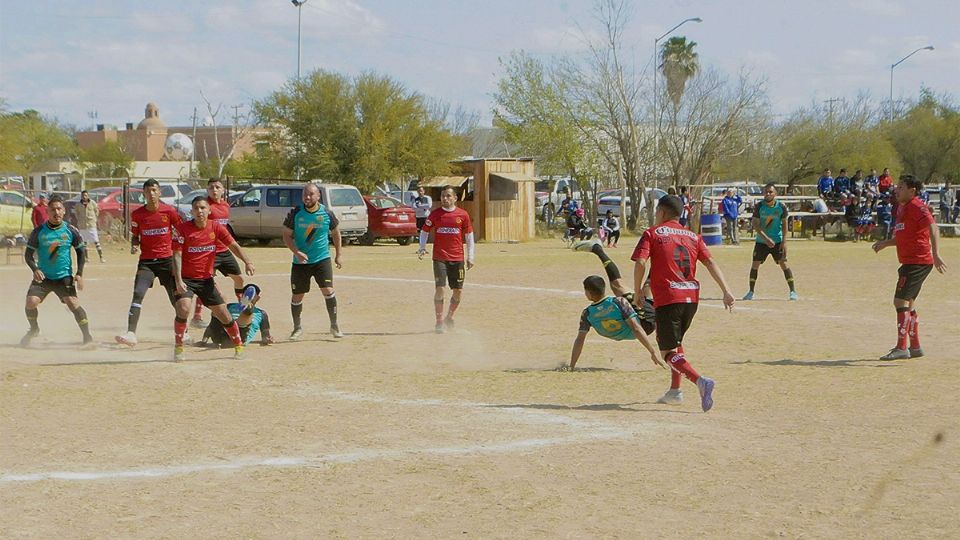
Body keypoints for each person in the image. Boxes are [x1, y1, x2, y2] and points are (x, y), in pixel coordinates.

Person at [632, 195, 735, 411]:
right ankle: (675, 391)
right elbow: (710, 262)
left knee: (667, 353)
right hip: (691, 298)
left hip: (668, 298)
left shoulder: (652, 233)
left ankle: (700, 381)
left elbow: (641, 261)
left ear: (661, 212)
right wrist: (726, 290)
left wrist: (637, 290)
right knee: (676, 342)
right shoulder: (693, 236)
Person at [872, 175, 947, 360]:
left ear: (912, 190)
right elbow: (904, 237)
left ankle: (901, 348)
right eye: (897, 186)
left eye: (901, 187)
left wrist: (936, 253)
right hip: (911, 261)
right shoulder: (902, 208)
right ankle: (915, 347)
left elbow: (933, 227)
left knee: (899, 302)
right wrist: (885, 243)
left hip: (917, 261)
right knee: (909, 303)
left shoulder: (917, 206)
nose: (897, 190)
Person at [172, 196, 255, 361]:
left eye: (203, 208)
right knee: (184, 308)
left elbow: (233, 246)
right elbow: (176, 256)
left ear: (209, 210)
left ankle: (238, 345)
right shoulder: (182, 229)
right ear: (191, 211)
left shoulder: (216, 227)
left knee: (223, 314)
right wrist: (178, 280)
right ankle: (179, 347)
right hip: (187, 279)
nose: (200, 211)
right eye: (196, 208)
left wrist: (247, 261)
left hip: (206, 280)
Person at [115, 179, 187, 347]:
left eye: (154, 190)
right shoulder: (138, 215)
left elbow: (181, 232)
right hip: (147, 262)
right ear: (144, 194)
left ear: (159, 192)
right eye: (148, 191)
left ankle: (184, 332)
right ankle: (131, 333)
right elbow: (135, 236)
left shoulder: (169, 211)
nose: (152, 194)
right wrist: (134, 245)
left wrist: (180, 250)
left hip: (167, 261)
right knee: (138, 294)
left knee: (176, 298)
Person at [20, 195, 95, 349]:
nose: (56, 212)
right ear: (47, 211)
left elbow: (81, 252)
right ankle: (34, 329)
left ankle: (88, 337)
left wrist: (79, 274)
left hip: (63, 277)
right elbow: (28, 255)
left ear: (64, 210)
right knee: (30, 302)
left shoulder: (70, 230)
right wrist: (35, 269)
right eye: (53, 209)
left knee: (73, 303)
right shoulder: (39, 232)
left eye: (59, 209)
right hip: (44, 278)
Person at [282, 182, 344, 340]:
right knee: (297, 296)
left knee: (328, 291)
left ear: (318, 196)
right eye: (305, 194)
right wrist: (297, 252)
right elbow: (286, 235)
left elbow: (336, 233)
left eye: (310, 194)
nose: (307, 197)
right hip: (300, 262)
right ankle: (297, 328)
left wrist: (338, 254)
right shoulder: (296, 213)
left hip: (321, 259)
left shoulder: (327, 213)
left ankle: (334, 325)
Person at [567, 274, 662, 372]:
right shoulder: (619, 302)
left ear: (588, 293)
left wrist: (572, 366)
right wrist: (652, 351)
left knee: (645, 289)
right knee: (646, 288)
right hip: (643, 328)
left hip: (626, 332)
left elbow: (580, 340)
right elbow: (636, 328)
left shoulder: (587, 313)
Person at [418, 185, 474, 333]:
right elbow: (424, 231)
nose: (445, 198)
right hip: (439, 257)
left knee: (458, 291)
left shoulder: (463, 215)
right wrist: (422, 247)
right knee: (440, 288)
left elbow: (469, 237)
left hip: (457, 258)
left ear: (455, 198)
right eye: (443, 196)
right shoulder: (435, 214)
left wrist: (471, 256)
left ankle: (449, 317)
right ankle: (439, 322)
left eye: (449, 196)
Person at [191, 178, 245, 328]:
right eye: (211, 187)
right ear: (207, 190)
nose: (214, 190)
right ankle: (196, 316)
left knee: (239, 279)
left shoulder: (226, 206)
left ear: (222, 190)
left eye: (217, 187)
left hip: (224, 250)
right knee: (206, 283)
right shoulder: (205, 206)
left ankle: (242, 307)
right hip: (210, 252)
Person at [742, 183, 798, 301]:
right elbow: (756, 225)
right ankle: (751, 291)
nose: (768, 194)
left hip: (777, 241)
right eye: (766, 192)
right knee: (755, 265)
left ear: (775, 193)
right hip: (762, 242)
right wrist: (766, 239)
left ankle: (793, 291)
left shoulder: (781, 207)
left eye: (770, 192)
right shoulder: (759, 206)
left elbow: (785, 225)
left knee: (784, 264)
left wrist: (784, 241)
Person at [201, 283, 274, 348]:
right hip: (222, 333)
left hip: (241, 336)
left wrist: (267, 340)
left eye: (253, 296)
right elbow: (212, 324)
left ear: (258, 298)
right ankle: (247, 307)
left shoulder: (261, 313)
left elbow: (265, 336)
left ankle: (248, 308)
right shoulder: (230, 306)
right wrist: (204, 341)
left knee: (246, 315)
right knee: (218, 311)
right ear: (242, 296)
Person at [73, 190, 105, 263]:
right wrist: (80, 220)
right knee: (84, 242)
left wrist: (94, 219)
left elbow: (97, 211)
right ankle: (86, 258)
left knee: (96, 241)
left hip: (91, 225)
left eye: (86, 195)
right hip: (82, 226)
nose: (84, 197)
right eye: (83, 195)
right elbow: (76, 213)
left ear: (88, 196)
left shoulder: (92, 203)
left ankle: (101, 257)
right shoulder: (78, 204)